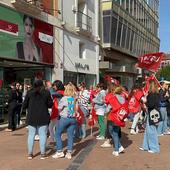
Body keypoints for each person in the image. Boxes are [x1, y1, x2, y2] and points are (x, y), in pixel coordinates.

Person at [22, 79, 53, 160]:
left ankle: (30, 154)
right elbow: (50, 105)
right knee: (42, 135)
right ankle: (43, 154)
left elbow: (24, 105)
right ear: (42, 85)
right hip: (43, 116)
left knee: (31, 135)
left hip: (32, 116)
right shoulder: (46, 92)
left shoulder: (29, 93)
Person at [52, 83, 77, 160]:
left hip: (64, 118)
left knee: (57, 134)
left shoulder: (64, 98)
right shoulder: (74, 98)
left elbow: (59, 108)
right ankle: (69, 153)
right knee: (70, 136)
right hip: (72, 118)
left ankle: (59, 151)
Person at [140, 80, 160, 153]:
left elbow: (151, 104)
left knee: (151, 130)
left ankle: (154, 148)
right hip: (155, 112)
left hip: (152, 113)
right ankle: (145, 146)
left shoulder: (151, 94)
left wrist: (145, 101)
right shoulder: (157, 94)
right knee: (148, 130)